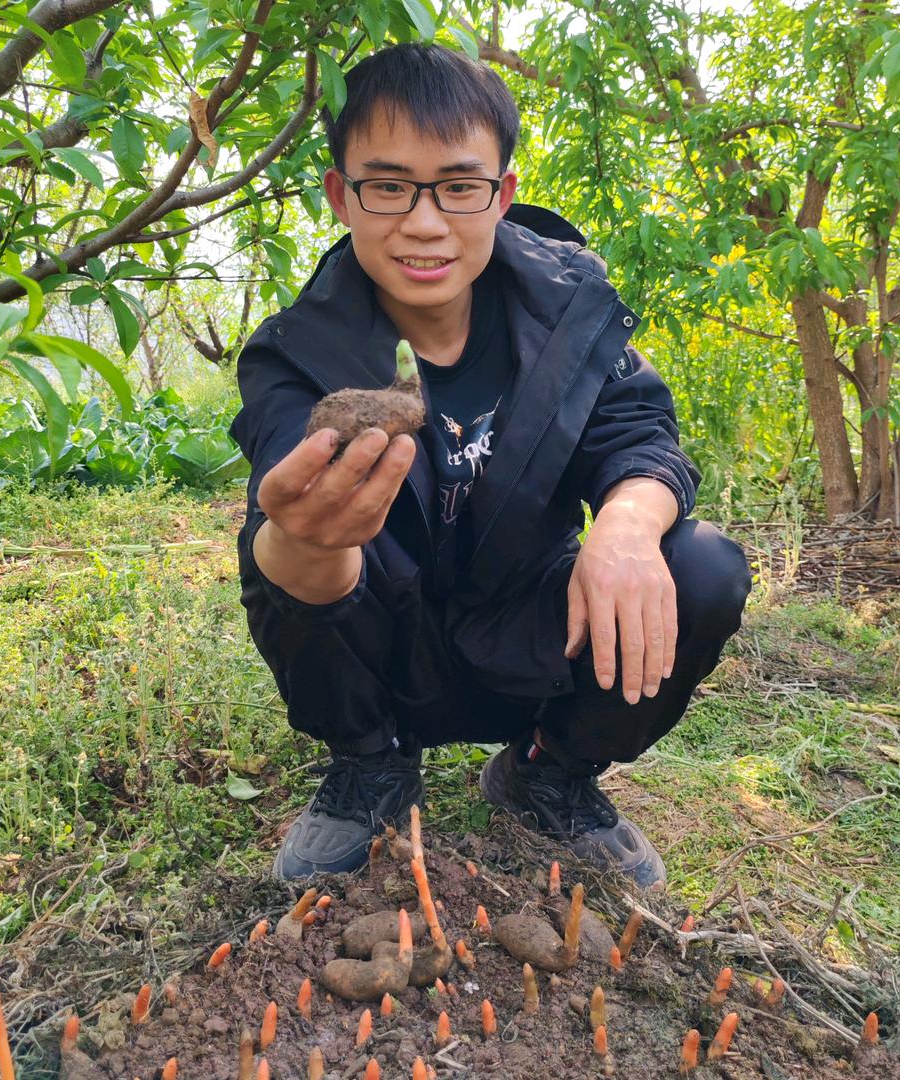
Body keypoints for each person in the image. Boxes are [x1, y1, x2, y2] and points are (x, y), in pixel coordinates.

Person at [229, 43, 752, 890]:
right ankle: (371, 770)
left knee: (699, 563)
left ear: (502, 194)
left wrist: (624, 525)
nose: (425, 223)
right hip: (381, 648)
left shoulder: (567, 308)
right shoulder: (298, 351)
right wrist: (303, 541)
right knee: (274, 543)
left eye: (459, 187)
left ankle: (549, 772)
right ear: (342, 195)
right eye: (389, 186)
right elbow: (292, 491)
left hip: (529, 631)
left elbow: (640, 434)